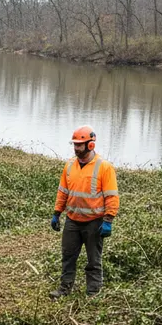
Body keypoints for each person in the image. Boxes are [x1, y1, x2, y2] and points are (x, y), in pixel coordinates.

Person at [50, 125, 119, 298]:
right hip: (72, 220)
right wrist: (57, 213)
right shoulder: (69, 165)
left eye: (79, 145)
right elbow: (63, 192)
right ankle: (64, 289)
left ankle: (93, 293)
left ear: (90, 145)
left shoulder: (104, 167)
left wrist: (108, 220)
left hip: (94, 222)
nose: (76, 148)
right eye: (74, 145)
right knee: (68, 256)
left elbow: (111, 196)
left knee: (94, 260)